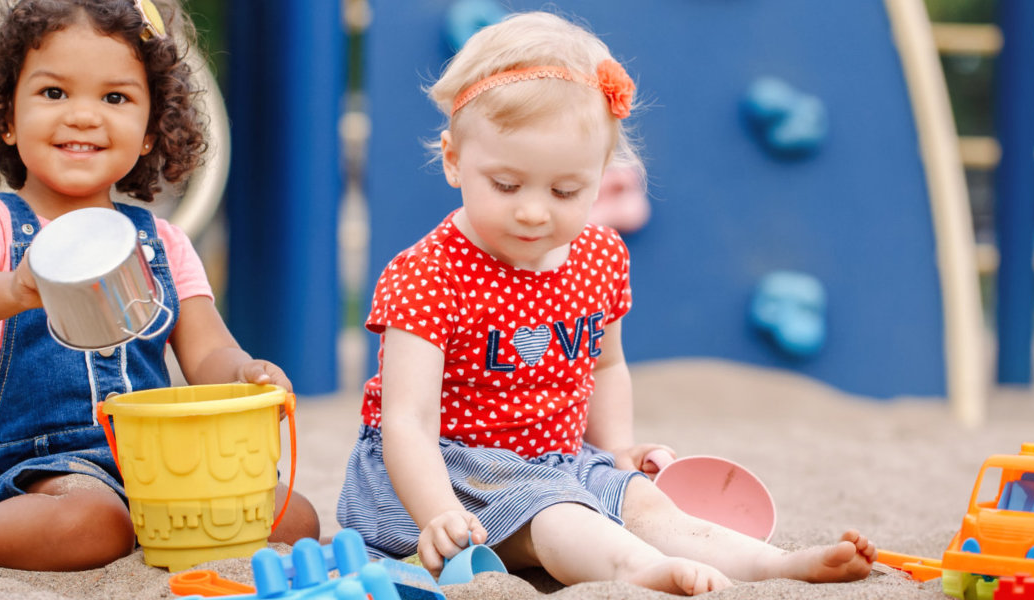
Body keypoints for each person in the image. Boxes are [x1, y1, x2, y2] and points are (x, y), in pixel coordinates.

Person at [335, 12, 874, 596]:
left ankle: (772, 565)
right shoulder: (429, 275)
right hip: (450, 475)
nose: (535, 211)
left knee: (646, 502)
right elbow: (406, 422)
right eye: (507, 185)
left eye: (566, 191)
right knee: (559, 515)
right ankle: (635, 572)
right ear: (453, 159)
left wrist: (617, 449)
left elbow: (607, 364)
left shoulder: (598, 256)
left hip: (558, 459)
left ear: (600, 177)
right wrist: (437, 512)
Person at [0, 0, 317, 570]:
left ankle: (147, 526)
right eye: (54, 93)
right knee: (90, 521)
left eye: (115, 98)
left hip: (153, 460)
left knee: (293, 515)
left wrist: (245, 373)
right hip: (34, 468)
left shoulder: (162, 242)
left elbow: (208, 351)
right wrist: (15, 289)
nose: (83, 116)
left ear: (150, 128)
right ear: (9, 117)